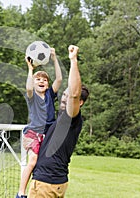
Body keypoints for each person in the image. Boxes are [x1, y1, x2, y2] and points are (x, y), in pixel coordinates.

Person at [26, 45, 90, 197]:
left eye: (69, 97)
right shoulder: (58, 119)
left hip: (48, 183)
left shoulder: (71, 118)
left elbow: (74, 94)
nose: (64, 97)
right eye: (64, 94)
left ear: (79, 103)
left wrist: (73, 60)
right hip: (43, 180)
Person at [16, 47, 62, 198]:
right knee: (33, 161)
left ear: (47, 85)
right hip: (33, 134)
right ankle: (21, 192)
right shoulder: (32, 96)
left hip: (47, 135)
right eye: (38, 79)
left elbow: (60, 80)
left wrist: (54, 59)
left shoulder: (49, 94)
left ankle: (35, 190)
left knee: (41, 165)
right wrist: (30, 70)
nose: (41, 81)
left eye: (44, 80)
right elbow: (29, 87)